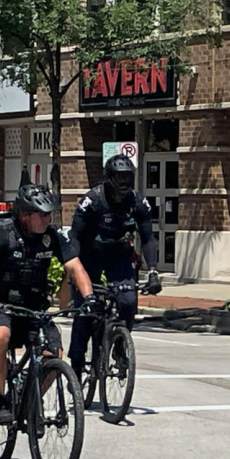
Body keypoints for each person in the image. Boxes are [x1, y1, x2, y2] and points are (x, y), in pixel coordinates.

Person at [0, 184, 95, 424]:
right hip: (2, 305)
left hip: (35, 308)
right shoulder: (3, 233)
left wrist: (89, 298)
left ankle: (31, 401)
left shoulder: (54, 237)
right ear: (24, 215)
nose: (47, 219)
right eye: (42, 214)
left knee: (54, 355)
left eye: (49, 214)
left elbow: (75, 267)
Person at [67, 155, 161, 380]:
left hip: (119, 257)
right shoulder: (92, 201)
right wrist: (74, 268)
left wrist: (154, 271)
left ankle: (119, 344)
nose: (123, 183)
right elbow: (75, 235)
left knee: (128, 301)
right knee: (85, 314)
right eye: (119, 177)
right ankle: (77, 364)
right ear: (108, 178)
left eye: (128, 177)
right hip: (90, 258)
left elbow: (148, 238)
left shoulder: (138, 202)